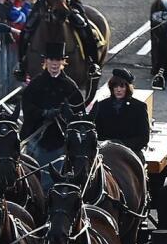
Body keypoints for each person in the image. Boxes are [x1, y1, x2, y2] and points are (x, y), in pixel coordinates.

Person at [19, 43, 86, 182]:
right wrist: (44, 113)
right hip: (38, 139)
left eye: (58, 60)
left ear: (63, 62)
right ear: (46, 62)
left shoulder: (70, 86)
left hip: (61, 140)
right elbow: (27, 107)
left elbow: (79, 112)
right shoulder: (35, 84)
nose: (54, 64)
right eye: (51, 60)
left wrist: (64, 113)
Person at [89, 68, 151, 155]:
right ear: (111, 87)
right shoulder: (101, 106)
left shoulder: (139, 107)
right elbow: (94, 132)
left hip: (131, 152)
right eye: (115, 86)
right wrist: (107, 144)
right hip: (105, 151)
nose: (118, 90)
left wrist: (121, 145)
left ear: (127, 88)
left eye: (122, 86)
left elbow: (144, 138)